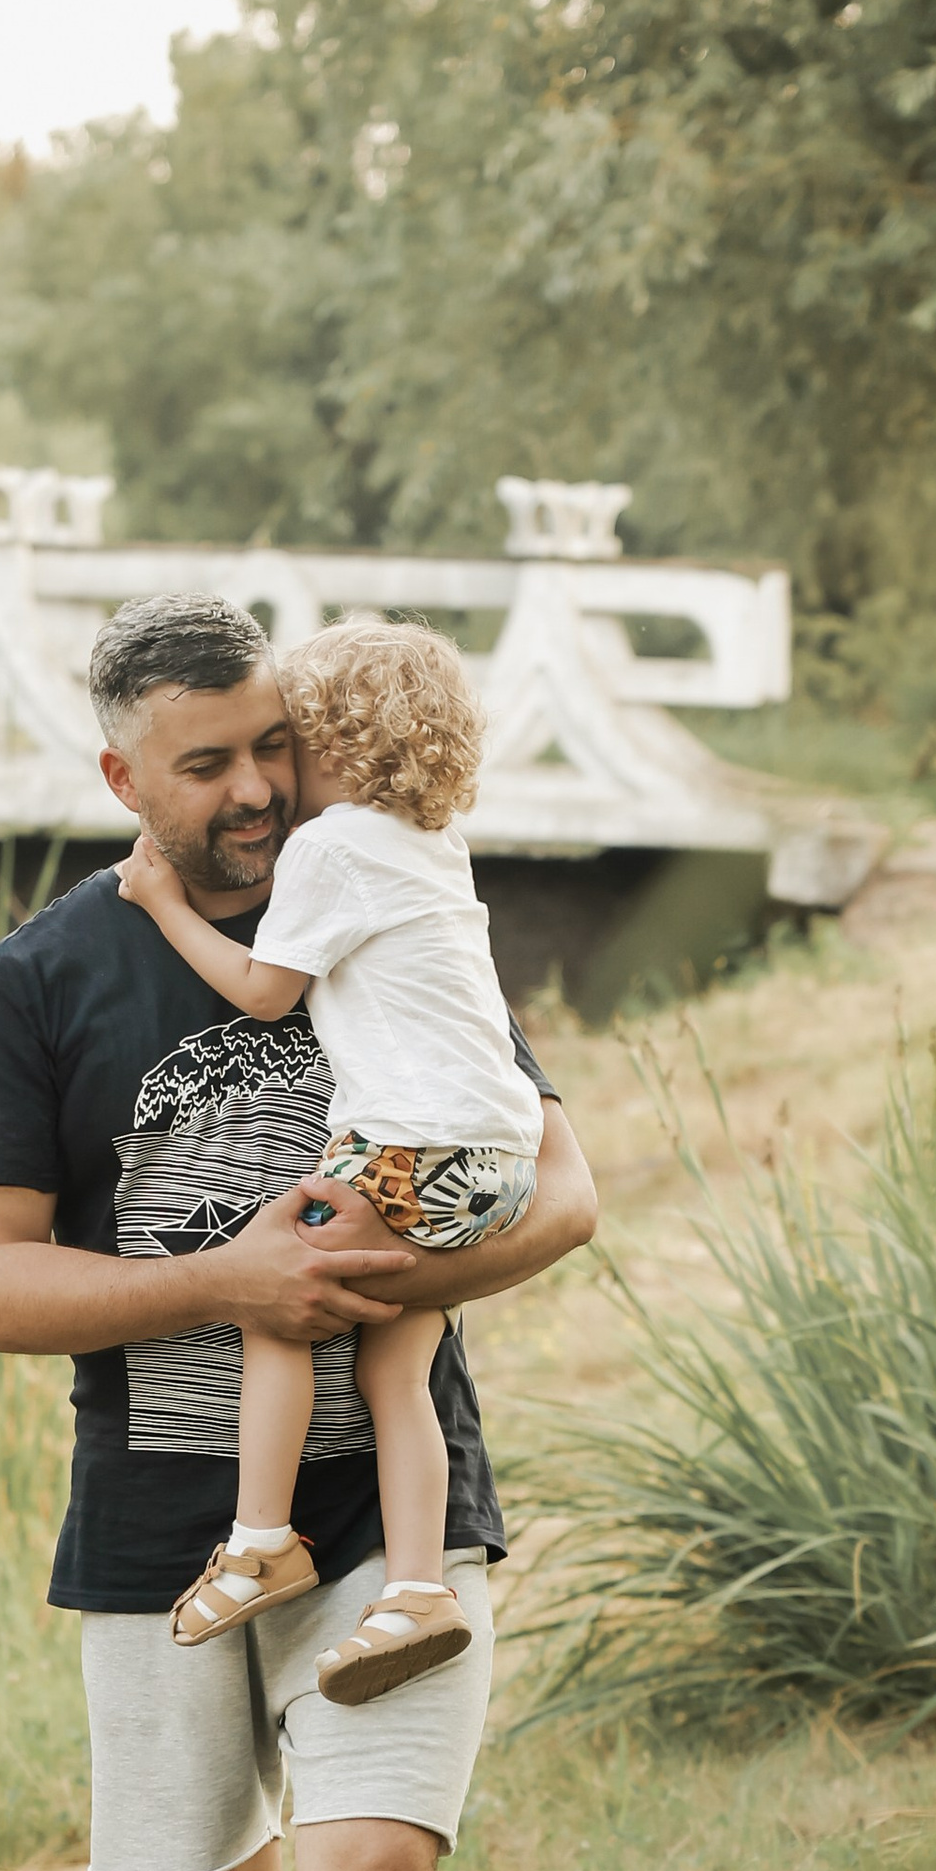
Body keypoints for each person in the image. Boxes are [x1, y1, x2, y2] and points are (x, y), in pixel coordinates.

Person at [0, 595, 597, 1871]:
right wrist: (230, 1283)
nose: (251, 789)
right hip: (163, 1514)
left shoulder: (387, 891)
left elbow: (561, 1188)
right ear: (121, 773)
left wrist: (398, 1269)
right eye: (207, 761)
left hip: (396, 1508)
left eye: (269, 748)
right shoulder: (43, 981)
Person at [112, 617, 543, 1709]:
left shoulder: (332, 845)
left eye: (286, 743)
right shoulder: (433, 841)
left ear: (337, 748)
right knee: (393, 1370)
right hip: (498, 1159)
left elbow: (263, 991)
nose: (269, 778)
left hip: (409, 1147)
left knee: (276, 1299)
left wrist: (162, 901)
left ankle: (260, 1540)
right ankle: (416, 1592)